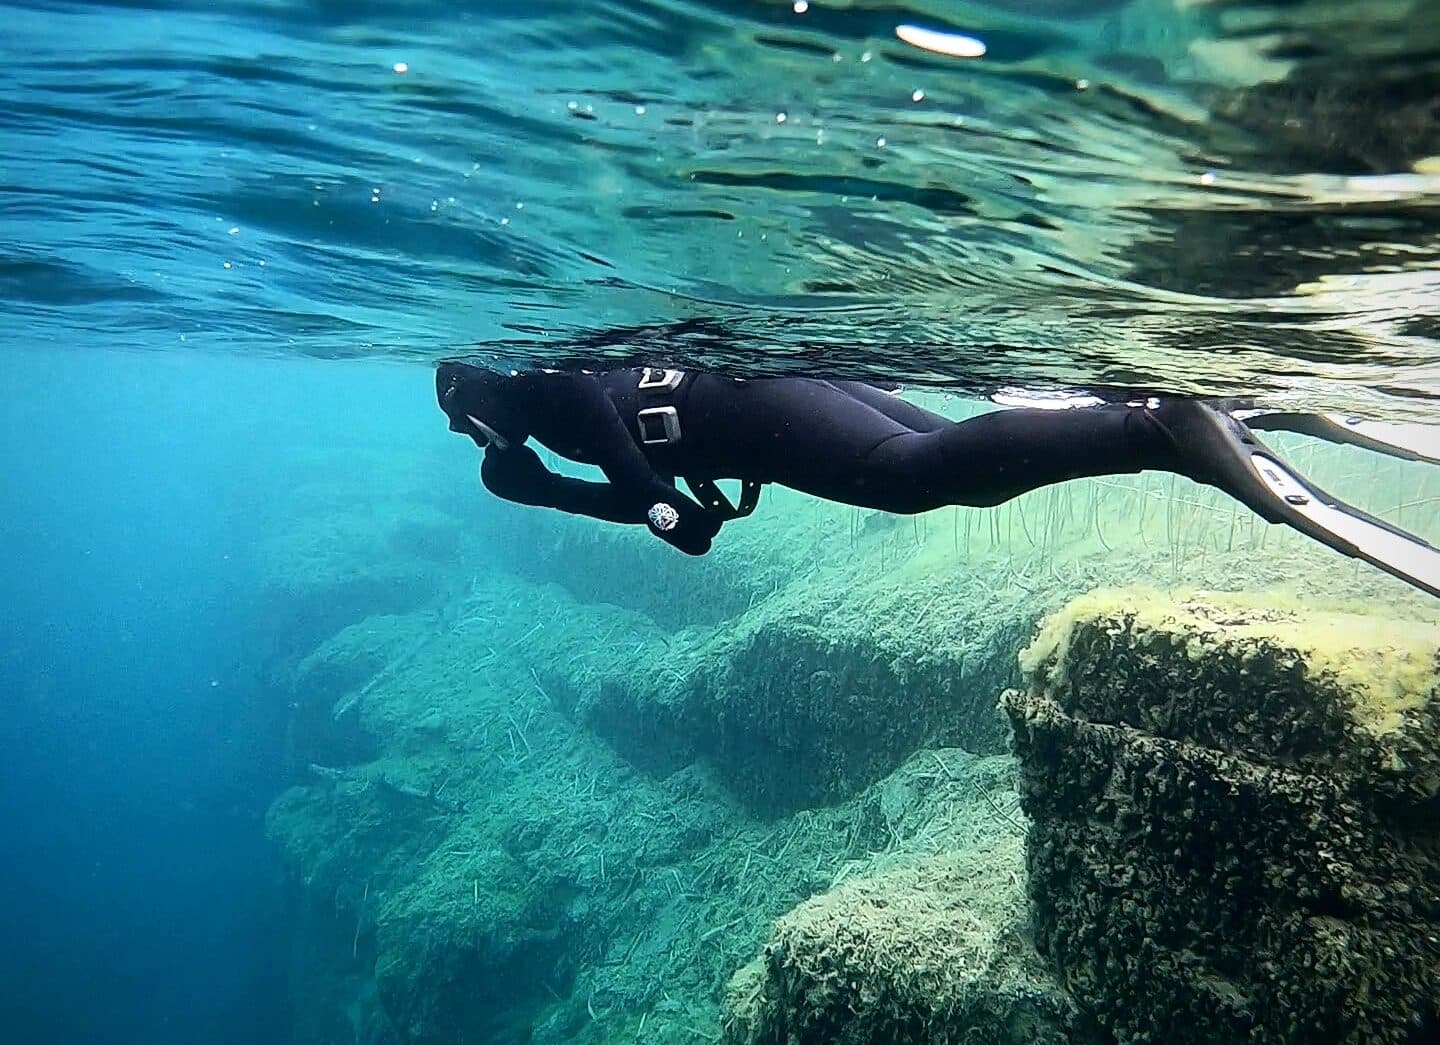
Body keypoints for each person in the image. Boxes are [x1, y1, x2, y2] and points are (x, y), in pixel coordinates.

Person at [435, 363, 1440, 599]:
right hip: (760, 397)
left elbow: (611, 435)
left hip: (749, 412)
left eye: (465, 422)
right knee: (961, 458)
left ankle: (1160, 428)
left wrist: (658, 508)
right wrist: (627, 503)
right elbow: (627, 482)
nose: (474, 434)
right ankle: (1203, 422)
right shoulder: (533, 427)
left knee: (913, 477)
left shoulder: (545, 380)